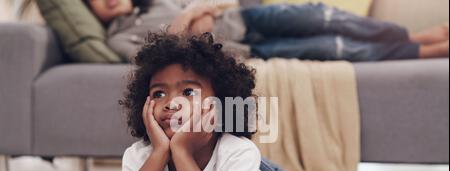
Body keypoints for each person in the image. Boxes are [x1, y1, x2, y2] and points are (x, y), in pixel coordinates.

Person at [106, 32, 299, 171]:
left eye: (188, 92)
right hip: (228, 162)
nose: (171, 103)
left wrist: (181, 151)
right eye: (159, 93)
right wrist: (159, 153)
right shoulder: (140, 155)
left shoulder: (240, 152)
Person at [83, 0, 449, 61]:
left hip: (247, 19)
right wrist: (190, 20)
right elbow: (163, 54)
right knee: (334, 49)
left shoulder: (158, 3)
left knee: (324, 17)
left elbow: (206, 4)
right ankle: (423, 50)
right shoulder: (117, 38)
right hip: (242, 51)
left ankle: (412, 36)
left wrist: (197, 10)